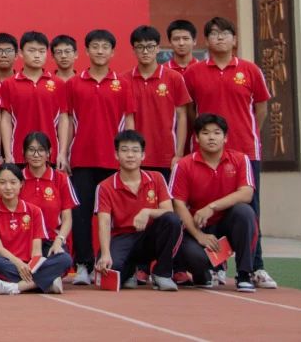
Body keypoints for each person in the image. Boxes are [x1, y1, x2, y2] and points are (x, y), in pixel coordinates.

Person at [183, 16, 275, 287]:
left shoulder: (250, 70)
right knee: (207, 209)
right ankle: (217, 266)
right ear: (206, 40)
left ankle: (255, 267)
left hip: (244, 151)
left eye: (225, 33)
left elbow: (261, 109)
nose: (220, 38)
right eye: (213, 34)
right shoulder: (193, 73)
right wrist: (206, 138)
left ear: (234, 39)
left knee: (249, 211)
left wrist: (246, 133)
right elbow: (190, 112)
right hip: (205, 155)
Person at [64, 28, 135, 284]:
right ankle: (83, 264)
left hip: (114, 161)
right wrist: (63, 152)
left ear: (113, 52)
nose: (100, 51)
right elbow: (67, 120)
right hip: (82, 158)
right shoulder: (74, 83)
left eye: (105, 47)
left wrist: (129, 155)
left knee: (117, 216)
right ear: (86, 51)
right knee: (81, 214)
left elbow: (129, 121)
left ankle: (120, 266)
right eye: (95, 46)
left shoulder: (122, 83)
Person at [171, 114, 260, 291]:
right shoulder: (184, 165)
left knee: (245, 212)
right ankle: (203, 271)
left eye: (217, 133)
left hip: (227, 226)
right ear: (197, 138)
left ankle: (244, 274)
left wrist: (212, 207)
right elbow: (178, 204)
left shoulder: (240, 159)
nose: (211, 137)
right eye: (205, 133)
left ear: (225, 137)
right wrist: (199, 235)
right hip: (198, 227)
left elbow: (247, 193)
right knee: (196, 258)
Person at [95, 129, 183, 291]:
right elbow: (104, 223)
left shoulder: (156, 178)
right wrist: (106, 254)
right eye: (125, 150)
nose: (130, 155)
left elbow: (169, 211)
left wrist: (147, 212)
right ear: (116, 155)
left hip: (148, 236)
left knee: (172, 220)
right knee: (110, 275)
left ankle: (162, 273)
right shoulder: (105, 186)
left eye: (135, 151)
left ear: (143, 155)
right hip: (121, 238)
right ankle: (130, 271)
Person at [0, 163, 72, 295]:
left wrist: (31, 266)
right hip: (7, 263)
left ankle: (18, 287)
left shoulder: (34, 211)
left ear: (21, 184)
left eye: (13, 182)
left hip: (29, 266)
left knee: (65, 259)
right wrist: (18, 264)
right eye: (2, 182)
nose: (8, 187)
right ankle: (44, 283)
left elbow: (37, 251)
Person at [125, 25, 190, 179]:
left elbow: (182, 116)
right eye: (140, 47)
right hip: (134, 157)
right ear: (133, 50)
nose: (145, 51)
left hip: (166, 156)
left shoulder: (174, 78)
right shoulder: (124, 80)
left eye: (150, 46)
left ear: (158, 48)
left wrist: (179, 154)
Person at [0, 31, 70, 164]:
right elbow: (6, 120)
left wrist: (62, 153)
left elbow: (63, 119)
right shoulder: (9, 84)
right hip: (18, 154)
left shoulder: (58, 83)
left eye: (41, 51)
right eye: (31, 50)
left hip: (50, 154)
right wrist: (7, 154)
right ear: (21, 53)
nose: (37, 55)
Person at [19, 132, 77, 260]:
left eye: (41, 150)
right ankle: (41, 271)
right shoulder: (16, 178)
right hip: (22, 240)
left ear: (49, 152)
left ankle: (33, 270)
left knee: (64, 260)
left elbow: (67, 219)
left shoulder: (60, 179)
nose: (36, 155)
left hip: (51, 240)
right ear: (23, 152)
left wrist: (59, 241)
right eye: (31, 150)